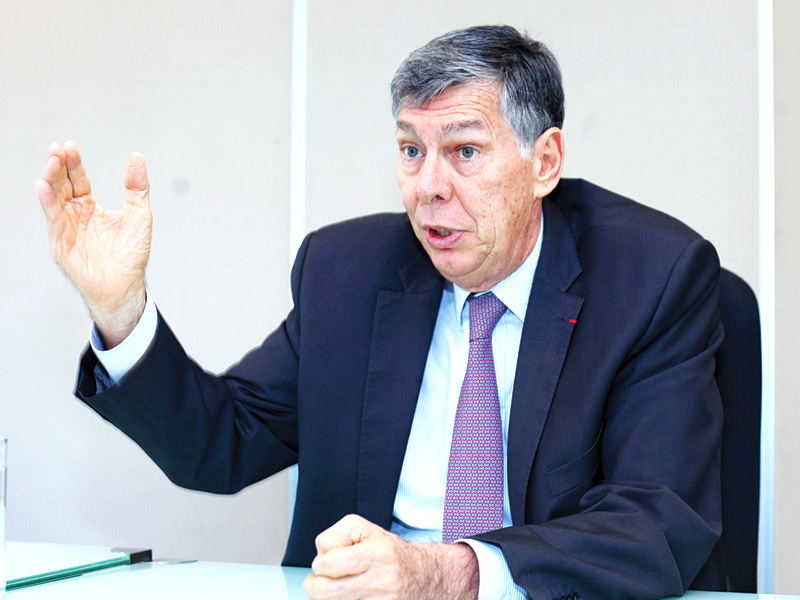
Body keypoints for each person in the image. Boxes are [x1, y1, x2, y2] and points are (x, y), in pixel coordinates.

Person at [36, 25, 726, 600]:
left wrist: (450, 574)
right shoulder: (348, 273)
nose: (428, 187)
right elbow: (221, 444)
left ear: (543, 162)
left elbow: (656, 519)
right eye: (411, 151)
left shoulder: (650, 277)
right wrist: (120, 311)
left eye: (464, 151)